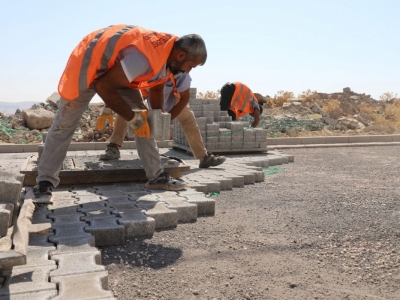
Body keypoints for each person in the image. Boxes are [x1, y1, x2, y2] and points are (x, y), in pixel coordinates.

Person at [33, 24, 207, 197]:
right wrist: (133, 119)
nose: (188, 70)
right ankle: (45, 181)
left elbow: (156, 89)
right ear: (181, 55)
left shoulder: (167, 57)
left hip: (117, 71)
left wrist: (156, 119)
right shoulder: (144, 57)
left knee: (144, 118)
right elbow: (104, 86)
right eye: (191, 66)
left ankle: (156, 176)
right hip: (90, 64)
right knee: (64, 125)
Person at [98, 72, 226, 168]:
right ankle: (113, 147)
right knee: (125, 111)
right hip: (147, 101)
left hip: (172, 102)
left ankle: (203, 157)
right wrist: (108, 106)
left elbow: (183, 98)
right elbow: (122, 85)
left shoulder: (182, 73)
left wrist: (166, 119)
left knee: (188, 118)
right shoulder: (147, 68)